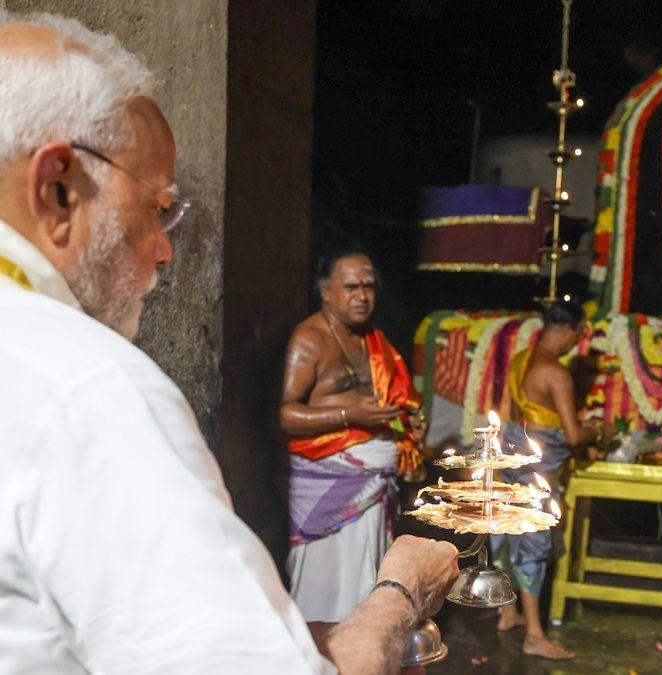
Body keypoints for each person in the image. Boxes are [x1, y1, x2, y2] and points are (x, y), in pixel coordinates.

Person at [0, 13, 457, 673]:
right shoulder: (89, 386)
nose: (163, 252)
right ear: (59, 188)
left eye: (369, 286)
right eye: (158, 209)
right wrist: (398, 597)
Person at [280, 249, 427, 622]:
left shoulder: (372, 337)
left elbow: (392, 399)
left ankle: (363, 640)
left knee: (364, 585)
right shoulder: (310, 339)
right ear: (326, 292)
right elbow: (285, 415)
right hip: (329, 485)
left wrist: (406, 425)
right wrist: (349, 415)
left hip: (373, 485)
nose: (362, 296)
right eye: (350, 287)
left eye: (368, 287)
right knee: (327, 589)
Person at [491, 298, 607, 660]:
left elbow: (519, 418)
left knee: (508, 535)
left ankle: (508, 612)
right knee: (532, 546)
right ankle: (534, 636)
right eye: (579, 334)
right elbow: (572, 436)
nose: (577, 342)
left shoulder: (523, 358)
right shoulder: (557, 373)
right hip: (536, 472)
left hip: (511, 459)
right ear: (569, 329)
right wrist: (600, 431)